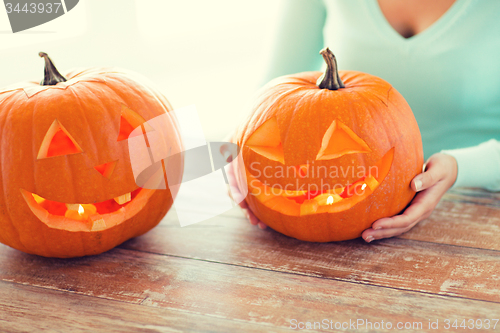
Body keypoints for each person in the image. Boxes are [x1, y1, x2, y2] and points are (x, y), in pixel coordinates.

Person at [229, 0, 500, 242]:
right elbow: (267, 99)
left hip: (476, 209)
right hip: (330, 224)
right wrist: (239, 158)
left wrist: (459, 168)